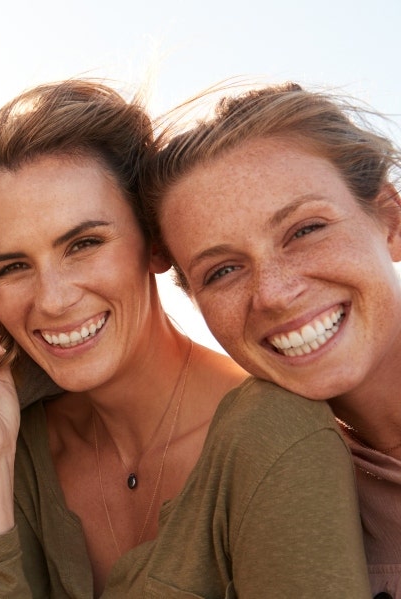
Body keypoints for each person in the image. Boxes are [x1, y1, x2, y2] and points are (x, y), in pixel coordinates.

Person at [0, 80, 369, 596]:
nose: (52, 300)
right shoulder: (24, 450)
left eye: (84, 243)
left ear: (156, 245)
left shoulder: (275, 432)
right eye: (12, 268)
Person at [141, 82, 401, 597]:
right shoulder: (264, 493)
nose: (275, 294)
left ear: (390, 223)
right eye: (222, 271)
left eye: (306, 230)